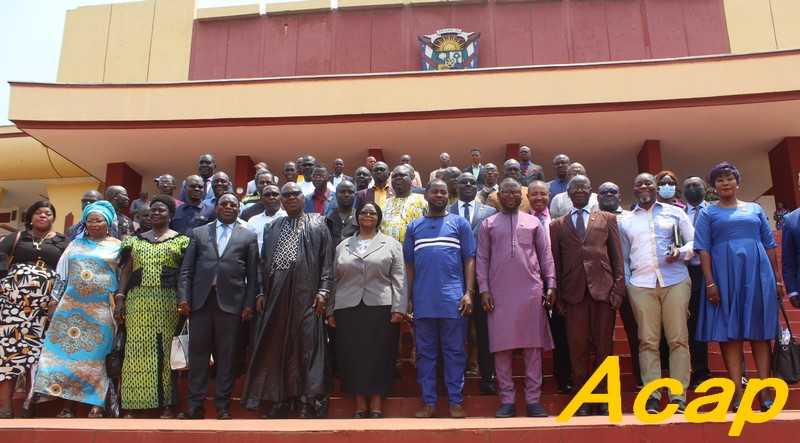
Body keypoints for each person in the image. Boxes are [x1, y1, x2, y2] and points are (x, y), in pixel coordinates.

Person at [694, 162, 784, 412]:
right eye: (720, 179)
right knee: (729, 332)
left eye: (729, 178)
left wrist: (776, 279)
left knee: (760, 331)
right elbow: (703, 248)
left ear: (737, 182)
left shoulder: (755, 209)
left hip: (757, 273)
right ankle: (737, 391)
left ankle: (765, 390)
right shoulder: (707, 213)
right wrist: (710, 282)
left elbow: (769, 244)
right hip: (724, 275)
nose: (725, 182)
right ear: (714, 186)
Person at [243, 182, 333, 419]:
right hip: (276, 295)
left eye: (296, 194)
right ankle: (279, 400)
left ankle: (305, 401)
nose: (291, 198)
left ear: (304, 198)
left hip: (307, 293)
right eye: (287, 195)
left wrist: (323, 290)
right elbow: (262, 263)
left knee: (307, 347)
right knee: (277, 346)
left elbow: (326, 260)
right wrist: (261, 292)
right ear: (281, 200)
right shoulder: (272, 227)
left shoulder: (318, 223)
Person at [34, 201, 121, 418]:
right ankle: (68, 405)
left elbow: (121, 277)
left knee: (96, 360)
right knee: (68, 359)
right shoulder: (74, 245)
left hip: (101, 312)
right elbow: (61, 275)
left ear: (107, 223)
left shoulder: (118, 246)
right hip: (70, 311)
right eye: (89, 220)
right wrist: (53, 302)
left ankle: (97, 404)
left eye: (98, 220)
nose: (93, 224)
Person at [176, 192, 259, 420]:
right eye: (224, 204)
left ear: (239, 208)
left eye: (234, 204)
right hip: (201, 303)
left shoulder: (248, 236)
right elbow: (186, 270)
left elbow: (252, 274)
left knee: (227, 357)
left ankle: (223, 407)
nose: (229, 207)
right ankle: (195, 407)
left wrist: (249, 303)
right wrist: (183, 297)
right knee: (199, 357)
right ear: (216, 207)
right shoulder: (199, 233)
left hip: (231, 305)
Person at [476, 179, 554, 418]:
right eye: (506, 192)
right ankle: (507, 400)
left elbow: (545, 255)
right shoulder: (487, 224)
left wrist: (551, 284)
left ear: (522, 198)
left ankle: (533, 400)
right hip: (499, 294)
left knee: (533, 347)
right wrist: (484, 289)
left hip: (530, 292)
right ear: (498, 196)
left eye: (515, 192)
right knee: (501, 348)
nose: (511, 195)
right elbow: (482, 260)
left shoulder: (533, 223)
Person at [619, 173, 695, 414]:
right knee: (648, 341)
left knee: (678, 339)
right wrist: (629, 285)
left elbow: (694, 243)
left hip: (675, 281)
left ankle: (678, 396)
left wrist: (680, 253)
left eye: (648, 183)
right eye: (638, 184)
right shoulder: (626, 220)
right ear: (634, 190)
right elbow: (623, 257)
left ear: (656, 187)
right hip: (641, 285)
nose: (643, 186)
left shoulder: (676, 213)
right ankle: (652, 395)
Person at [550, 175, 625, 417]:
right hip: (573, 293)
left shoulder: (607, 218)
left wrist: (618, 288)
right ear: (568, 194)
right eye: (575, 187)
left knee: (604, 347)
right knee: (577, 347)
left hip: (603, 290)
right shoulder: (557, 224)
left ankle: (604, 397)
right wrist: (559, 295)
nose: (579, 190)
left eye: (583, 186)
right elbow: (556, 263)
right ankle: (582, 397)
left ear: (591, 192)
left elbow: (617, 257)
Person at [326, 202, 406, 418]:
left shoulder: (391, 244)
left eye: (372, 213)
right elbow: (334, 279)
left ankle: (377, 404)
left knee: (379, 355)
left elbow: (399, 278)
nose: (368, 215)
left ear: (378, 217)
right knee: (351, 356)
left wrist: (399, 307)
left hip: (380, 307)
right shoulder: (343, 246)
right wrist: (330, 310)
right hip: (347, 309)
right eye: (364, 212)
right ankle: (360, 403)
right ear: (356, 217)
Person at [404, 179, 475, 419]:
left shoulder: (459, 223)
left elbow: (470, 260)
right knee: (425, 355)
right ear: (426, 195)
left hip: (453, 300)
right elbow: (409, 265)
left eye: (443, 192)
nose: (439, 195)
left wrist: (468, 292)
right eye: (434, 191)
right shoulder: (414, 227)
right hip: (423, 301)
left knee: (455, 352)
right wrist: (409, 297)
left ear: (448, 196)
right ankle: (429, 403)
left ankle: (455, 402)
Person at [115, 195, 190, 418]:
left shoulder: (181, 241)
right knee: (136, 351)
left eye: (161, 211)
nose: (155, 214)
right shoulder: (134, 241)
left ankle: (166, 404)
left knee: (165, 352)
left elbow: (185, 274)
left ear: (170, 215)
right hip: (138, 303)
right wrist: (120, 298)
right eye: (152, 211)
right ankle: (132, 405)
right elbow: (127, 271)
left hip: (168, 303)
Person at [0, 201, 70, 418]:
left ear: (53, 218)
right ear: (30, 217)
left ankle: (30, 403)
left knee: (37, 356)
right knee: (8, 354)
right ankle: (5, 406)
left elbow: (68, 267)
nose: (43, 216)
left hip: (43, 310)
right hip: (13, 308)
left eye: (48, 213)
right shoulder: (17, 238)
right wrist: (3, 282)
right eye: (38, 213)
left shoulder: (62, 241)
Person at [450, 172, 497, 396]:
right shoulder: (446, 211)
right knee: (453, 332)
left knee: (484, 332)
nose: (468, 185)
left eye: (471, 182)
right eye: (463, 182)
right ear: (455, 187)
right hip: (451, 280)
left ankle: (487, 378)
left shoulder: (488, 211)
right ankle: (453, 381)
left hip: (481, 281)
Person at [527, 180, 573, 395]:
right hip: (529, 282)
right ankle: (535, 379)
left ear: (550, 197)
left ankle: (562, 376)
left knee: (560, 331)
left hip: (558, 281)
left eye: (543, 194)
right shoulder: (521, 221)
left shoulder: (559, 222)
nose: (538, 198)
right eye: (534, 194)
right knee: (533, 332)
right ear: (528, 197)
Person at [597, 181, 641, 389]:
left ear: (620, 196)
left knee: (636, 332)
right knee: (602, 337)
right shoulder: (592, 219)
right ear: (597, 198)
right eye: (603, 192)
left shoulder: (632, 218)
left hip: (631, 281)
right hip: (601, 284)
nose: (608, 194)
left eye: (612, 191)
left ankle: (641, 378)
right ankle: (605, 384)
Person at [682, 175, 713, 390]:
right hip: (689, 273)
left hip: (716, 272)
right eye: (688, 187)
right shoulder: (678, 214)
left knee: (726, 318)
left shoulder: (716, 210)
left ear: (705, 189)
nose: (693, 189)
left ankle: (739, 373)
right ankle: (700, 371)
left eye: (697, 185)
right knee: (693, 323)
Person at [245, 184, 287, 254]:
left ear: (281, 197)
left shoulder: (288, 218)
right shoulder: (253, 221)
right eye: (267, 195)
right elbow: (247, 245)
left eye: (275, 194)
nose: (271, 197)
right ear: (261, 199)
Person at [326, 180, 359, 248]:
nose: (346, 195)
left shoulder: (359, 217)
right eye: (342, 192)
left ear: (355, 195)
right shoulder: (328, 218)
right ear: (336, 195)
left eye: (350, 192)